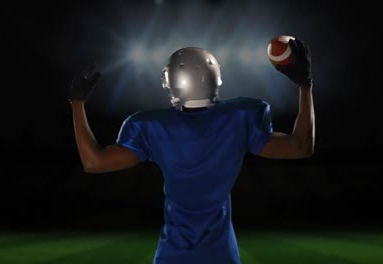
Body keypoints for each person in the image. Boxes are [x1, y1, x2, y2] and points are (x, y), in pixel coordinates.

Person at [69, 38, 315, 264]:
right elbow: (301, 147)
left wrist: (77, 103)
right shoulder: (241, 117)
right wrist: (305, 85)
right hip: (222, 256)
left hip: (172, 255)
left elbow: (94, 163)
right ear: (215, 77)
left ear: (172, 82)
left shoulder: (150, 126)